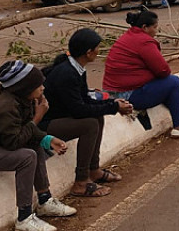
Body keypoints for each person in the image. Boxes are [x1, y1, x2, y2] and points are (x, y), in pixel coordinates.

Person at [0, 61, 74, 231]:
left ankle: (44, 199)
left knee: (34, 145)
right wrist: (38, 118)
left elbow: (23, 130)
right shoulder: (4, 106)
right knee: (26, 157)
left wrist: (47, 139)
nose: (43, 88)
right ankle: (24, 217)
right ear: (24, 88)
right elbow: (14, 142)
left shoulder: (22, 100)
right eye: (38, 85)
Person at [40, 29, 134, 198]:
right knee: (89, 125)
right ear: (88, 52)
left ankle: (94, 170)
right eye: (98, 48)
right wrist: (113, 108)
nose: (99, 51)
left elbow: (85, 100)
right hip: (46, 124)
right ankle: (81, 182)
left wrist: (112, 104)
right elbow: (79, 110)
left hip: (62, 116)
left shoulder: (76, 69)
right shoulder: (66, 74)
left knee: (97, 116)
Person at [103, 9, 179, 138]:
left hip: (114, 92)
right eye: (155, 27)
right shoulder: (144, 41)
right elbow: (163, 70)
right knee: (173, 82)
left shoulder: (129, 36)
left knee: (164, 85)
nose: (156, 31)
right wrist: (151, 74)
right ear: (145, 27)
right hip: (126, 96)